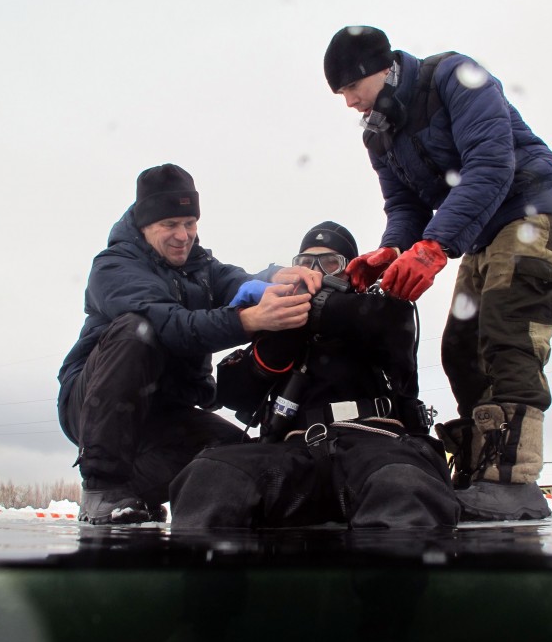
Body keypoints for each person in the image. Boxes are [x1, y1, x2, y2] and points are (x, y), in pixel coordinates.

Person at [323, 26, 552, 521]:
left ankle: (514, 481)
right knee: (460, 348)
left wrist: (436, 246)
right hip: (479, 232)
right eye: (342, 95)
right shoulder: (379, 132)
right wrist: (392, 249)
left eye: (353, 88)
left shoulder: (456, 77)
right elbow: (403, 203)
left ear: (381, 69)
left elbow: (489, 164)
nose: (351, 102)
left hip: (530, 213)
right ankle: (481, 473)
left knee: (509, 333)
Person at [58, 163, 319, 525]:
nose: (183, 235)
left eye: (190, 223)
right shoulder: (114, 267)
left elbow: (235, 279)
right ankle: (103, 486)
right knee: (139, 330)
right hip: (95, 404)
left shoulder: (201, 265)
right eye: (169, 225)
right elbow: (172, 325)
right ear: (144, 225)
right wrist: (249, 320)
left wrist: (273, 278)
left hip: (165, 410)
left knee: (239, 459)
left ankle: (137, 492)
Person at [169, 221, 460, 530]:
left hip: (377, 447)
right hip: (291, 455)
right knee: (211, 475)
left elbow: (385, 319)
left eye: (330, 263)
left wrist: (305, 309)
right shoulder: (276, 321)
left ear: (351, 271)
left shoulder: (384, 308)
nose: (316, 272)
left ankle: (387, 573)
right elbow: (232, 392)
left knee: (404, 487)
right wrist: (273, 337)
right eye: (305, 263)